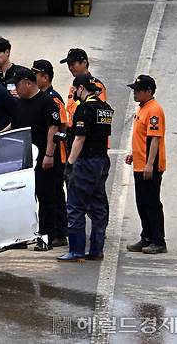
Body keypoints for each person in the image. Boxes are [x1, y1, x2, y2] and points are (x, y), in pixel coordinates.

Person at [57, 75, 113, 262]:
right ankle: (96, 250)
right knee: (98, 207)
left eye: (74, 90)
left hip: (86, 161)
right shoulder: (105, 109)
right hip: (101, 161)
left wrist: (70, 164)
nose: (73, 94)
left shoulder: (84, 109)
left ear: (81, 88)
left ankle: (76, 251)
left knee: (75, 206)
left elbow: (80, 138)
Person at [10, 68, 61, 251]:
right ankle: (22, 238)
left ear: (28, 83)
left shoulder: (47, 102)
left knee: (46, 198)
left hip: (43, 159)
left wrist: (48, 154)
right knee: (23, 198)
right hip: (24, 159)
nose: (16, 88)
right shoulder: (19, 103)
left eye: (17, 84)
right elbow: (15, 127)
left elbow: (53, 128)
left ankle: (46, 238)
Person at [125, 75, 167, 254]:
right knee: (142, 202)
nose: (135, 92)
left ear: (149, 91)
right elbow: (142, 138)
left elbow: (155, 139)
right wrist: (135, 154)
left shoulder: (154, 110)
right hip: (140, 164)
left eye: (138, 89)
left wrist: (150, 164)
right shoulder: (142, 108)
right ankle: (147, 236)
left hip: (150, 166)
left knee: (151, 203)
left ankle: (158, 240)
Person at [32, 59, 68, 247]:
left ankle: (60, 231)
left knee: (55, 193)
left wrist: (52, 152)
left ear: (45, 77)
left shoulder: (53, 98)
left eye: (36, 74)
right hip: (47, 153)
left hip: (56, 154)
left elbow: (62, 125)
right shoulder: (40, 98)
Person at [60, 48, 107, 154]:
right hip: (74, 137)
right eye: (68, 65)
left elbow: (98, 112)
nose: (70, 68)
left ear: (84, 63)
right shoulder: (73, 87)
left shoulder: (96, 86)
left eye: (73, 64)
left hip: (89, 141)